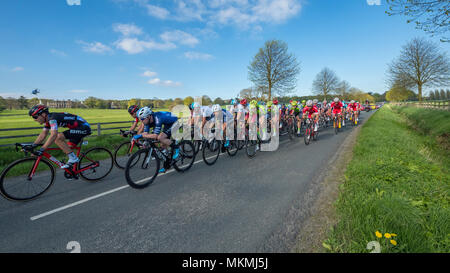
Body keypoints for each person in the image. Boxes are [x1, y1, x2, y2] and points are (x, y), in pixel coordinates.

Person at [28, 105, 91, 169]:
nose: (35, 119)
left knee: (58, 138)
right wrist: (33, 145)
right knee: (67, 148)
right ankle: (73, 170)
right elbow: (43, 135)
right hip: (76, 129)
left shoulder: (52, 118)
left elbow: (53, 135)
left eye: (35, 117)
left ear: (43, 114)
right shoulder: (48, 120)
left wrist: (42, 149)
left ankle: (73, 159)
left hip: (84, 128)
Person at [136, 107, 180, 173]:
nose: (141, 121)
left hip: (175, 122)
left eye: (142, 119)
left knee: (160, 138)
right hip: (167, 124)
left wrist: (140, 135)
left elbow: (155, 136)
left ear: (148, 116)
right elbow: (146, 133)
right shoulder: (147, 121)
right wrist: (143, 141)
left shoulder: (157, 118)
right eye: (140, 119)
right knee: (163, 147)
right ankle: (166, 166)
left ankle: (177, 147)